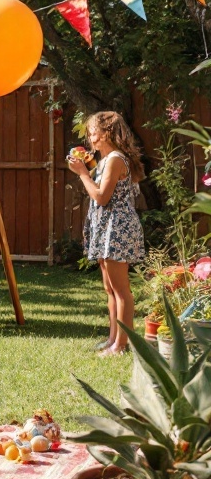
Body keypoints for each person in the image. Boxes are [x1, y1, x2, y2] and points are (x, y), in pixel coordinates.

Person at [68, 111, 145, 356]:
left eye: (93, 132)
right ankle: (113, 339)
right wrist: (85, 166)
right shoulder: (105, 160)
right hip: (107, 226)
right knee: (110, 288)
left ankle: (121, 345)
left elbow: (101, 197)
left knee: (121, 291)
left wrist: (82, 174)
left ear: (107, 133)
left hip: (117, 227)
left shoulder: (115, 160)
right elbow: (98, 186)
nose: (90, 137)